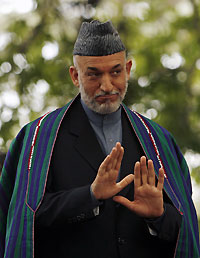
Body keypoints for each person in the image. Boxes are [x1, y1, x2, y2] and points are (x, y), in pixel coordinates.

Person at [0, 20, 199, 258]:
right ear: (75, 75)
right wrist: (90, 195)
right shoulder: (38, 138)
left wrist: (158, 216)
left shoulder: (159, 141)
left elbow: (186, 234)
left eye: (116, 72)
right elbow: (23, 223)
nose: (107, 85)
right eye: (93, 74)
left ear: (128, 69)